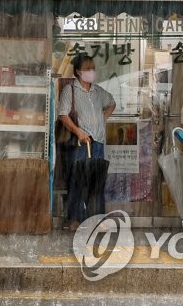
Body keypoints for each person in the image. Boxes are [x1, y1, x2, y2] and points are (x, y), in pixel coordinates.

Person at [57, 53, 115, 231]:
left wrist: (102, 118)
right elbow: (63, 115)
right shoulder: (70, 90)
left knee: (96, 181)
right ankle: (74, 219)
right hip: (80, 143)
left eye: (93, 68)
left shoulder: (98, 91)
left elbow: (111, 102)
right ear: (78, 71)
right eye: (87, 69)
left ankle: (97, 219)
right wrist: (79, 132)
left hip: (97, 142)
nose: (91, 72)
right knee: (77, 180)